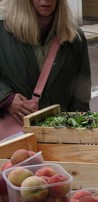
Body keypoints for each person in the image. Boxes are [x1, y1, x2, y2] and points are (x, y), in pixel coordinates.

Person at [0, 0, 91, 129]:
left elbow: (81, 91)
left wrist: (81, 127)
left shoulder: (74, 37)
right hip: (13, 138)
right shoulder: (3, 29)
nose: (45, 1)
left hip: (57, 135)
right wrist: (6, 99)